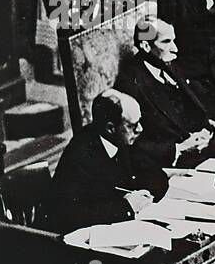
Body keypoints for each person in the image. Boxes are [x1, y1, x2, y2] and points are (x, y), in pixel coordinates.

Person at [115, 18, 215, 169]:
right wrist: (178, 149)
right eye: (166, 42)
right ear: (145, 45)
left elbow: (189, 107)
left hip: (203, 142)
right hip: (172, 160)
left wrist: (213, 125)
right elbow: (130, 139)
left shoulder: (167, 63)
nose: (175, 49)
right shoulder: (130, 82)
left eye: (173, 40)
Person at [43, 90, 167, 233]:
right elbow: (70, 214)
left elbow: (154, 174)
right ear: (110, 128)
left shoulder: (122, 139)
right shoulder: (81, 153)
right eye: (133, 125)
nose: (140, 129)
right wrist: (126, 206)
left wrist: (145, 193)